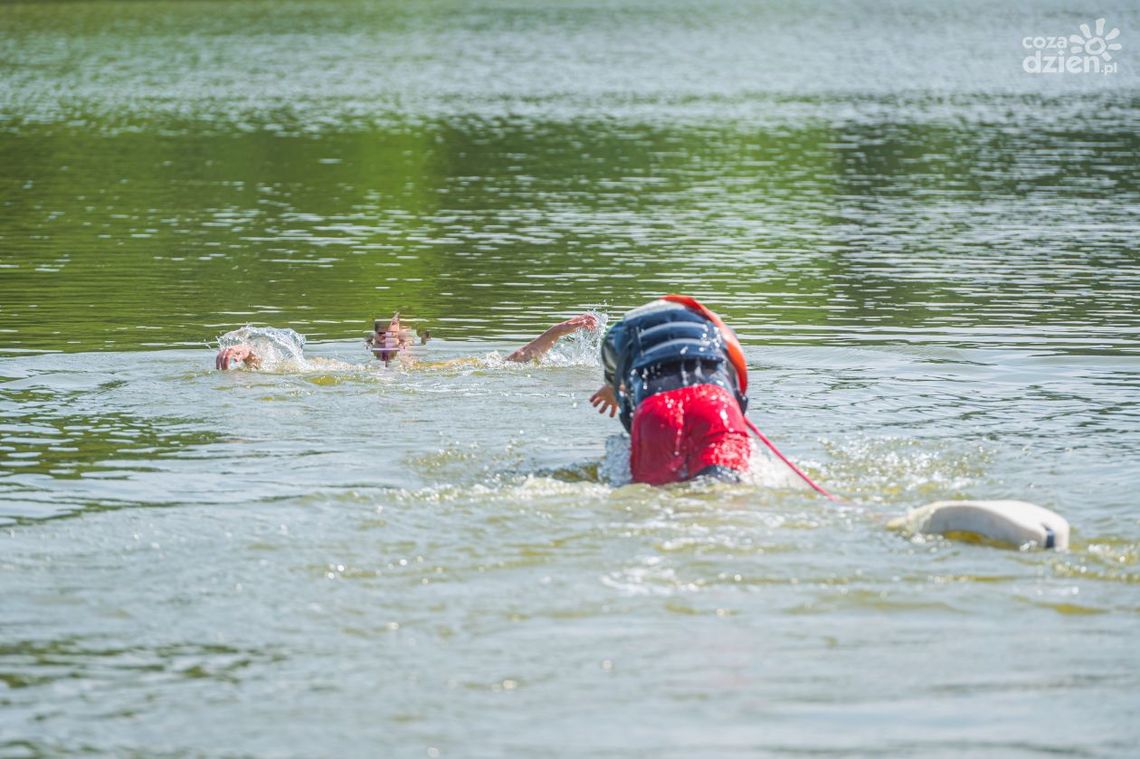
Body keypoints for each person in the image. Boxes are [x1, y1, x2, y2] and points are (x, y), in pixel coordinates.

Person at [589, 295, 751, 485]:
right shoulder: (716, 328)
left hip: (657, 412)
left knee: (655, 497)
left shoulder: (619, 331)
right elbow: (738, 386)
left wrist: (611, 387)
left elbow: (615, 376)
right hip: (715, 405)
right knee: (725, 488)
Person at [215, 312, 598, 370]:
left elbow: (517, 359)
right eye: (381, 336)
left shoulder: (442, 372)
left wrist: (559, 330)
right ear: (371, 345)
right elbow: (284, 369)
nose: (387, 340)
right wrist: (246, 352)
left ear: (411, 344)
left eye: (396, 337)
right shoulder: (341, 371)